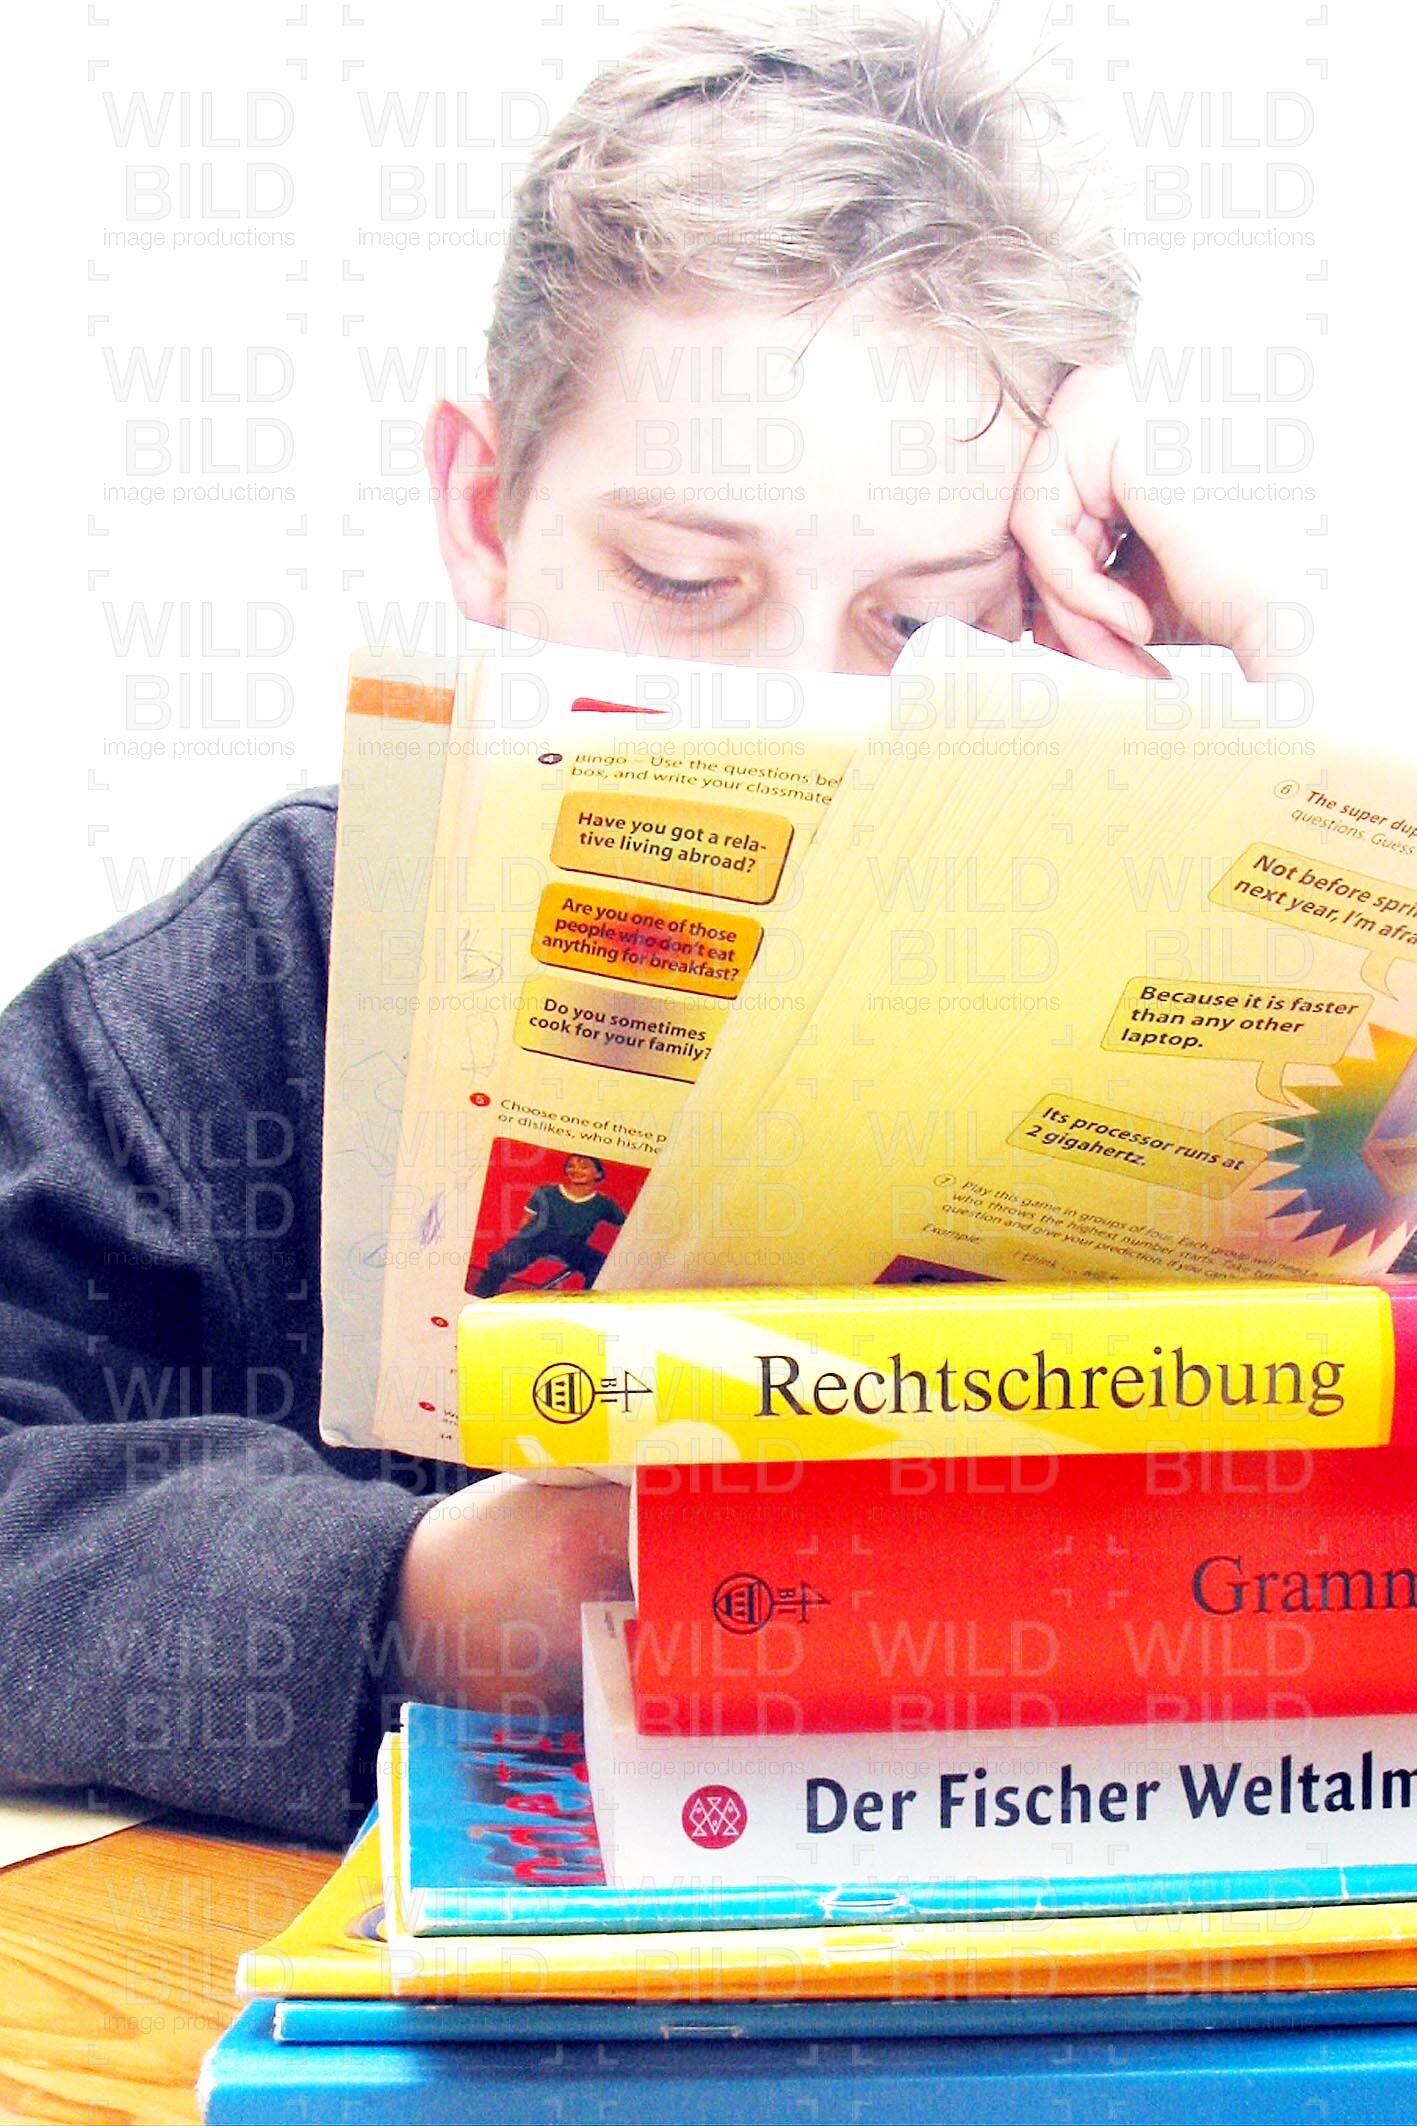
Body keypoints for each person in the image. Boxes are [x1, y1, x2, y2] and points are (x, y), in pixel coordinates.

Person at [0, 4, 1298, 1844]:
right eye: (685, 579)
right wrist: (407, 1598)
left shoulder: (1174, 980)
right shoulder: (246, 984)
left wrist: (1292, 661)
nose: (795, 708)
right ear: (483, 508)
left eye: (924, 619)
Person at [472, 1156, 628, 1298]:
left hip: (571, 1245)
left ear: (598, 1174)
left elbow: (625, 1224)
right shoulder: (547, 1192)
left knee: (600, 1265)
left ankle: (582, 1305)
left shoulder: (603, 1203)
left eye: (584, 1167)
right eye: (570, 1166)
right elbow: (526, 1220)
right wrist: (517, 1244)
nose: (576, 1170)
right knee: (506, 1258)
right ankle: (484, 1291)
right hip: (537, 1238)